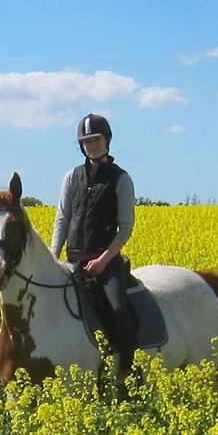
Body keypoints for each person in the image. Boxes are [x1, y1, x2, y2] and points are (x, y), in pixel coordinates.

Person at [51, 113, 141, 400]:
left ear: (107, 141)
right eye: (86, 141)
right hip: (72, 261)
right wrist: (54, 257)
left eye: (96, 140)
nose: (91, 145)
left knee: (117, 310)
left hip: (107, 263)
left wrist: (103, 260)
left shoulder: (121, 179)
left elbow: (125, 228)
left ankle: (127, 376)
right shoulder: (71, 177)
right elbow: (62, 220)